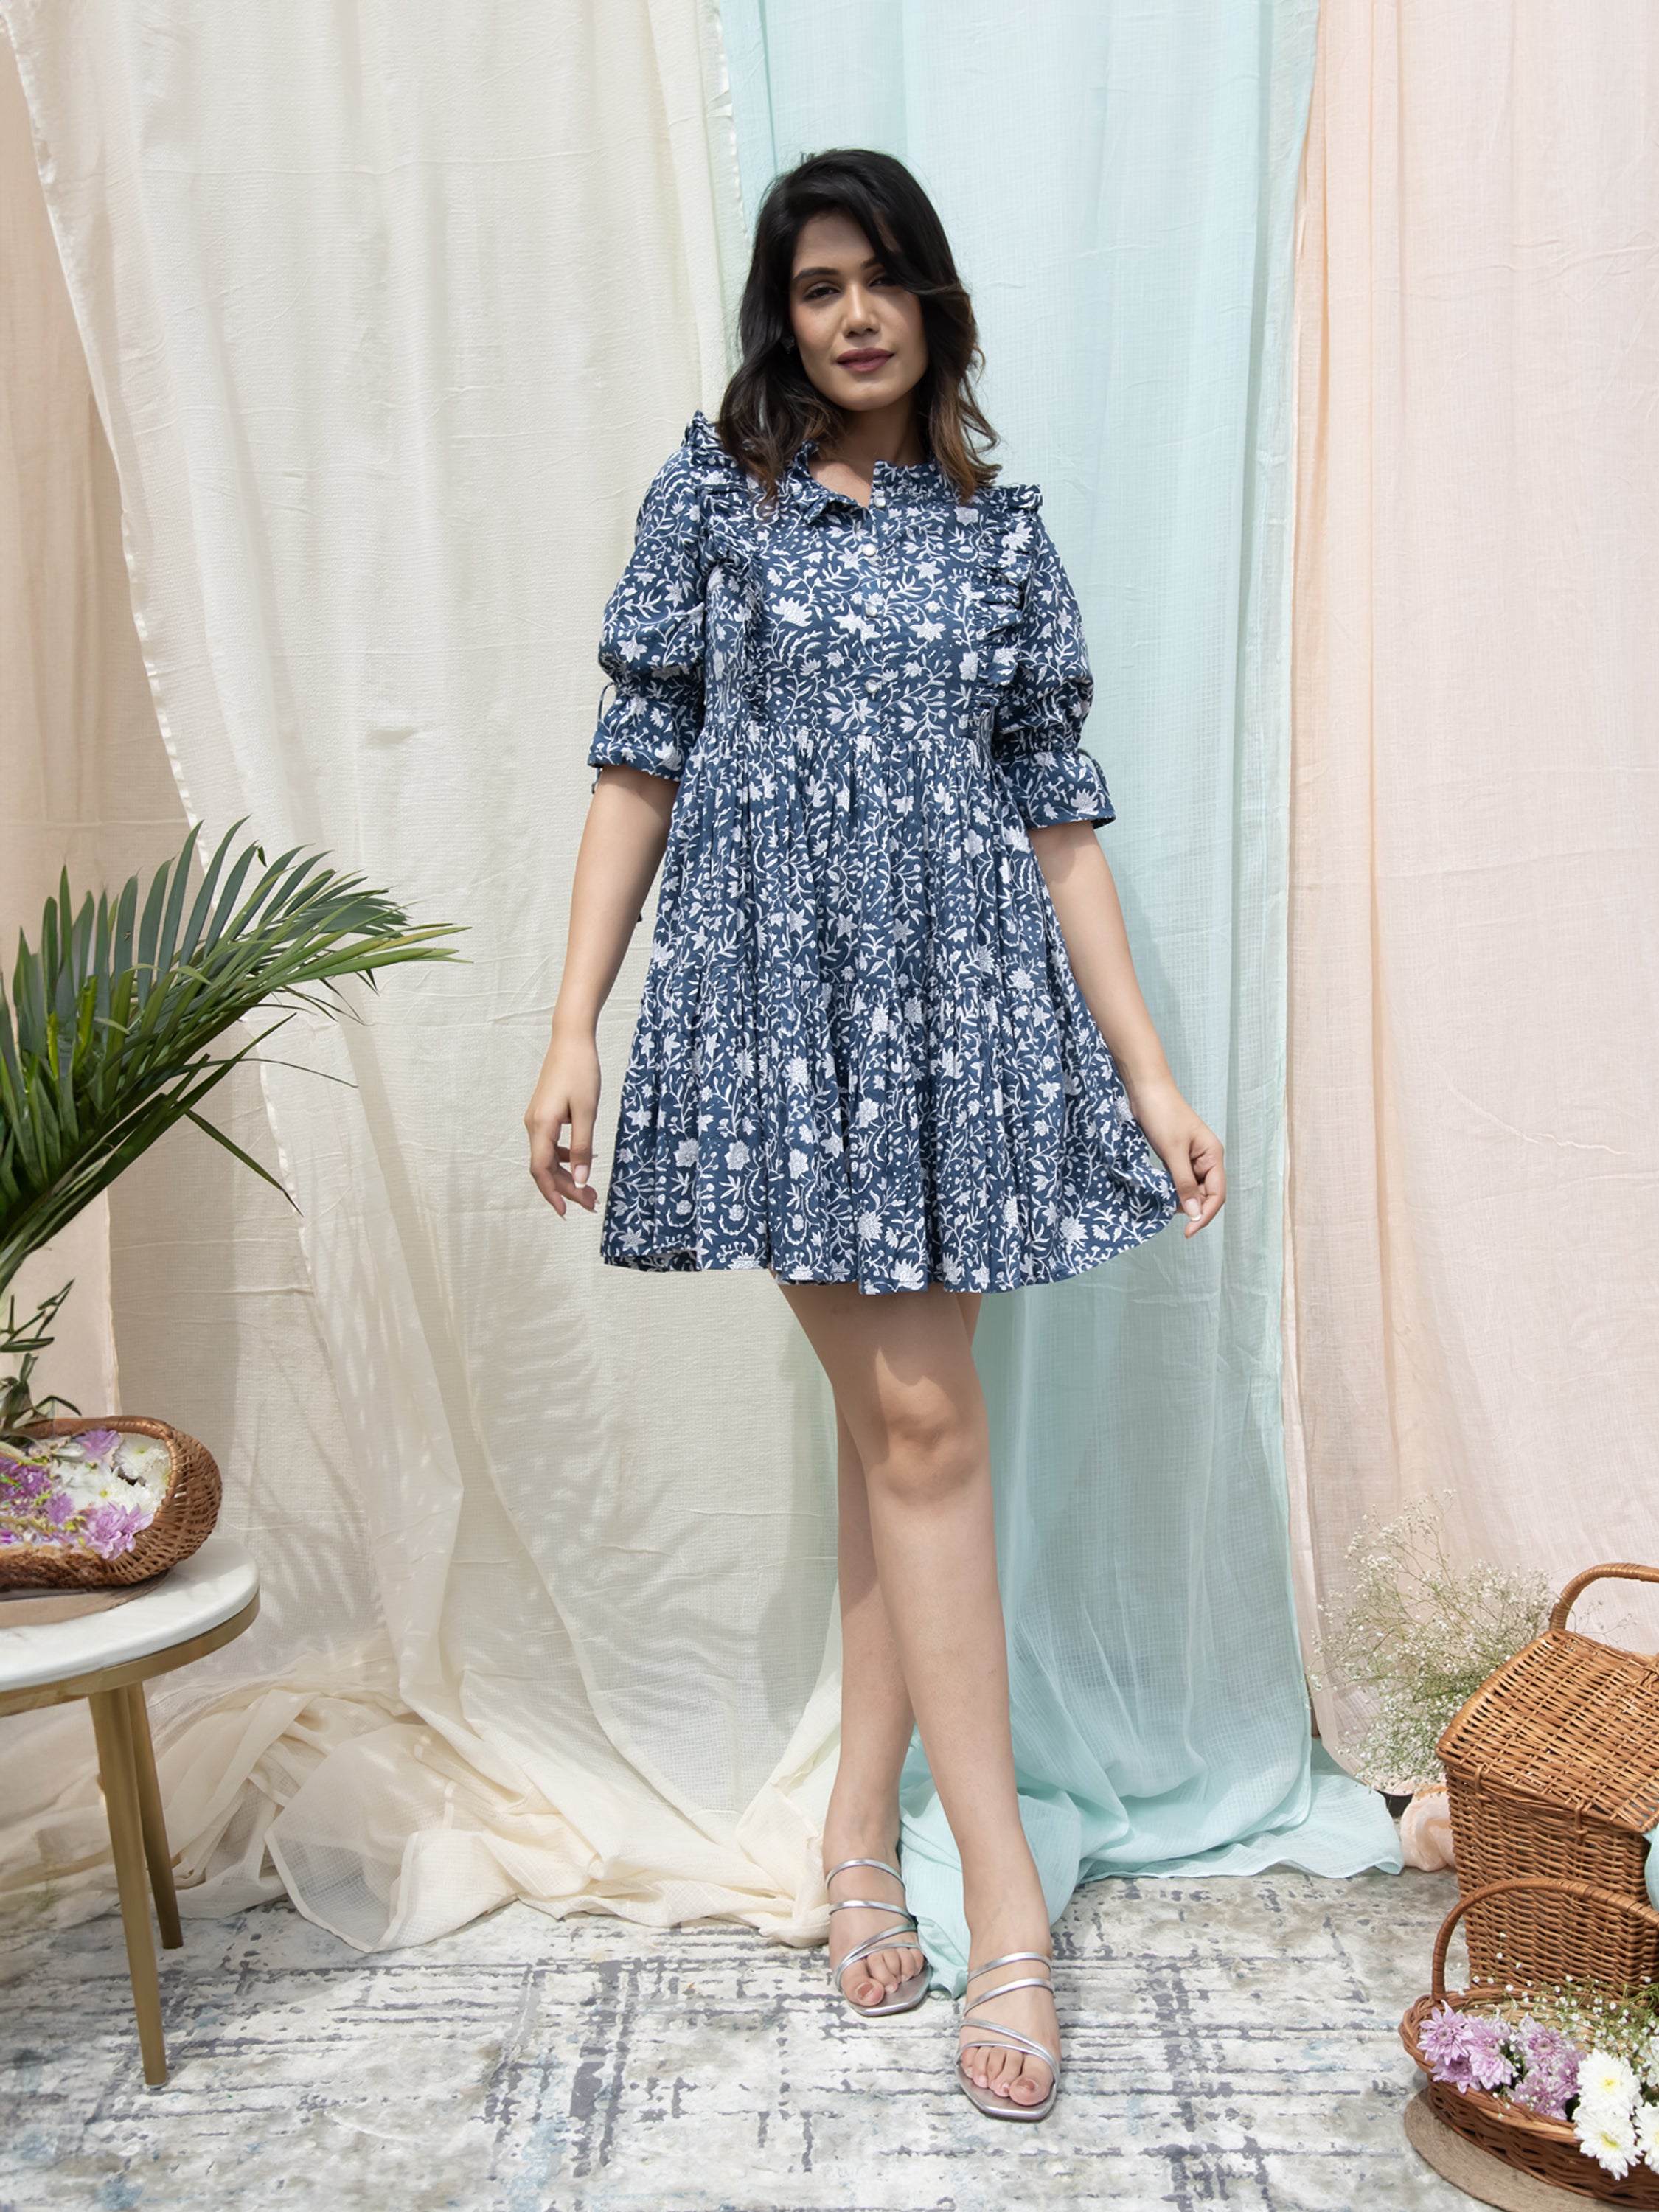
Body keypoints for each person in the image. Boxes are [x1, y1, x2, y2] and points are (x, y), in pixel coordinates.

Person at [525, 147, 1224, 2121]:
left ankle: (857, 1834)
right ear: (783, 313)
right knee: (921, 1429)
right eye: (815, 285)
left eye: (880, 280)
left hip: (962, 1026)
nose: (850, 316)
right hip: (780, 1010)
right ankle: (1004, 1896)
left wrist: (1150, 1078)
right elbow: (639, 761)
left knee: (892, 1439)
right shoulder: (716, 498)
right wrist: (571, 1022)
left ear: (932, 302)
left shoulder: (999, 540)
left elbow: (1060, 827)